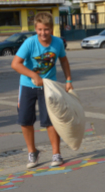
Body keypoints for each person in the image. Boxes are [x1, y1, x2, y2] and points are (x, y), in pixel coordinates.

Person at [11, 12, 73, 169]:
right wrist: (33, 75)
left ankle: (56, 153)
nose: (43, 33)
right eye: (39, 29)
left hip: (49, 86)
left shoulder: (58, 43)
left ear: (51, 29)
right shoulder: (29, 43)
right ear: (35, 29)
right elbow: (15, 64)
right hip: (27, 86)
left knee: (50, 121)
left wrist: (68, 80)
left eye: (46, 29)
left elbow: (64, 61)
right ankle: (32, 152)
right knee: (25, 120)